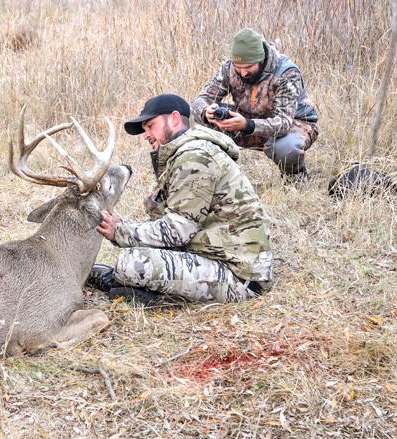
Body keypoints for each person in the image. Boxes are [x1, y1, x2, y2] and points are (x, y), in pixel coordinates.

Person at [87, 94, 273, 304]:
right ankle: (140, 290)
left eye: (150, 125)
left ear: (174, 119)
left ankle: (146, 293)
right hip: (219, 257)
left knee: (132, 263)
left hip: (240, 277)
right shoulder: (186, 153)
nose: (146, 135)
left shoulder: (196, 157)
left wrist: (119, 230)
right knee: (139, 254)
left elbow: (177, 231)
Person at [191, 28, 318, 178]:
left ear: (261, 59)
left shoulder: (286, 73)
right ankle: (223, 176)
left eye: (248, 67)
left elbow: (283, 123)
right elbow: (199, 100)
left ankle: (296, 177)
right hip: (247, 120)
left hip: (294, 124)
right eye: (239, 67)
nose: (243, 73)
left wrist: (247, 125)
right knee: (210, 120)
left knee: (286, 147)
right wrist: (206, 111)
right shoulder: (228, 68)